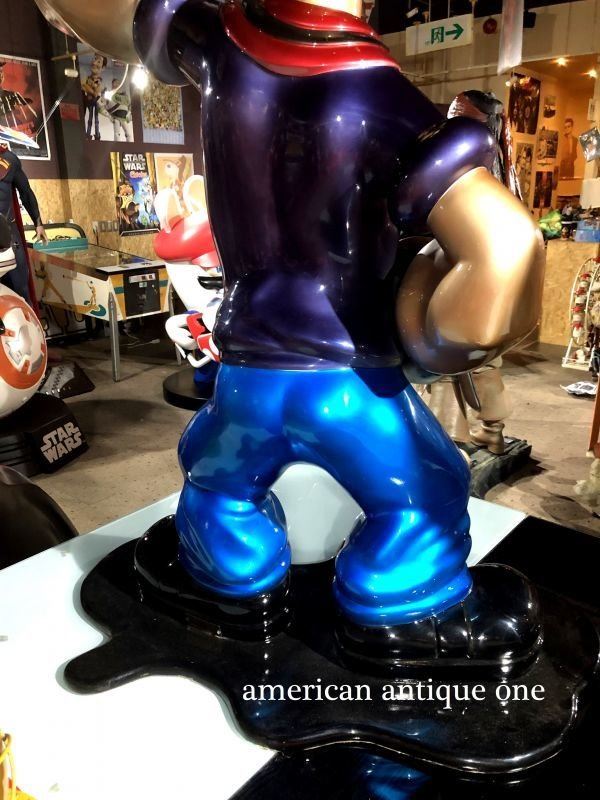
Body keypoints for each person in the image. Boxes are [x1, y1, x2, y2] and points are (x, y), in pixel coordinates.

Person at [34, 0, 545, 667]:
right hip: (347, 380)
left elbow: (123, 18)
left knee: (218, 483)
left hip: (244, 377)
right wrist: (433, 345)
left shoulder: (221, 52)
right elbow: (505, 247)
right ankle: (400, 603)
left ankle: (231, 579)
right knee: (430, 494)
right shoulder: (388, 101)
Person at [0, 144, 47, 301]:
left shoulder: (9, 159)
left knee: (20, 287)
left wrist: (38, 223)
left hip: (8, 234)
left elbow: (26, 192)